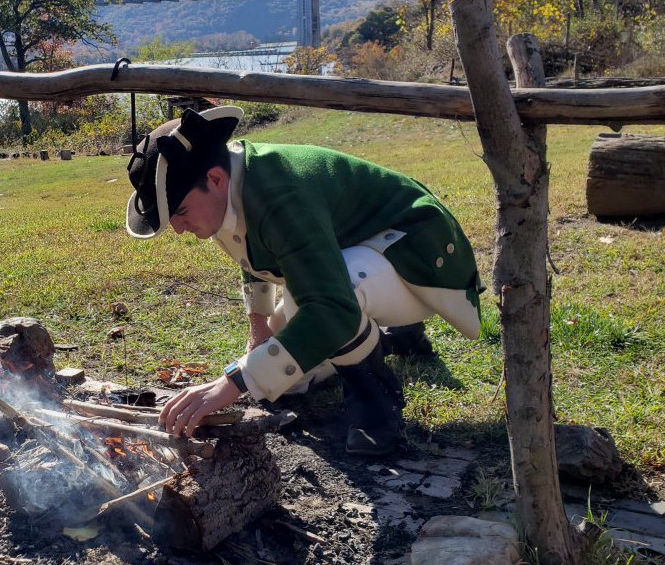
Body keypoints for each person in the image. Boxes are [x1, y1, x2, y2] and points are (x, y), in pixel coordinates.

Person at [124, 105, 483, 456]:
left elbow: (331, 307)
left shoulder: (280, 193)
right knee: (287, 381)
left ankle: (376, 403)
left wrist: (231, 382)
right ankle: (396, 335)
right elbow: (253, 254)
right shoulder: (227, 186)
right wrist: (259, 327)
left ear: (215, 179)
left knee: (330, 302)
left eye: (181, 212)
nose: (178, 227)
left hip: (418, 251)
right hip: (364, 246)